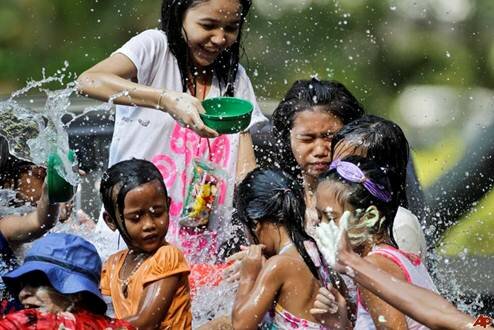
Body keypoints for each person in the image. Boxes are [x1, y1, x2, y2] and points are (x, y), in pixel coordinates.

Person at [77, 0, 267, 259]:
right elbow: (88, 81)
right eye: (208, 25)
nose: (220, 38)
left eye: (231, 28)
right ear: (179, 15)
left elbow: (245, 172)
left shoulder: (235, 79)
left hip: (201, 255)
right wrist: (164, 99)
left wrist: (259, 234)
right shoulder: (155, 49)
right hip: (130, 247)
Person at [314, 156, 437, 329]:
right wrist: (341, 324)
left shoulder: (374, 269)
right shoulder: (394, 258)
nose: (322, 227)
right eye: (320, 217)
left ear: (370, 218)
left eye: (331, 218)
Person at [232, 168, 349, 330]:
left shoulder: (279, 265)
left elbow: (240, 325)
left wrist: (248, 276)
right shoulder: (313, 249)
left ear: (255, 224)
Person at [314, 223, 483, 330]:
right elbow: (448, 314)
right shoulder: (482, 323)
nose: (320, 225)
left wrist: (353, 263)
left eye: (331, 217)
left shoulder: (377, 261)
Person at [99, 159, 192, 329]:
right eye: (136, 218)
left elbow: (145, 322)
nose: (149, 224)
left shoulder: (166, 256)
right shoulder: (112, 264)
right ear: (111, 221)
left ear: (168, 206)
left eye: (157, 213)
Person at [271, 78, 365, 236]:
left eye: (330, 137)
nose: (320, 150)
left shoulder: (369, 205)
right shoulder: (278, 207)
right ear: (288, 140)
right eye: (307, 139)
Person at [330, 115, 427, 258]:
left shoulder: (400, 225)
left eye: (349, 169)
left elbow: (405, 278)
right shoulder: (330, 214)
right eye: (335, 166)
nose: (338, 175)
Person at [0, 232, 133, 329]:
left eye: (36, 282)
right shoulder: (117, 327)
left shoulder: (24, 323)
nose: (22, 294)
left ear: (76, 294)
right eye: (22, 284)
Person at [0, 136, 62, 315]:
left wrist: (51, 192)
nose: (40, 177)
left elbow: (40, 222)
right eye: (38, 174)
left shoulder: (4, 227)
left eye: (43, 174)